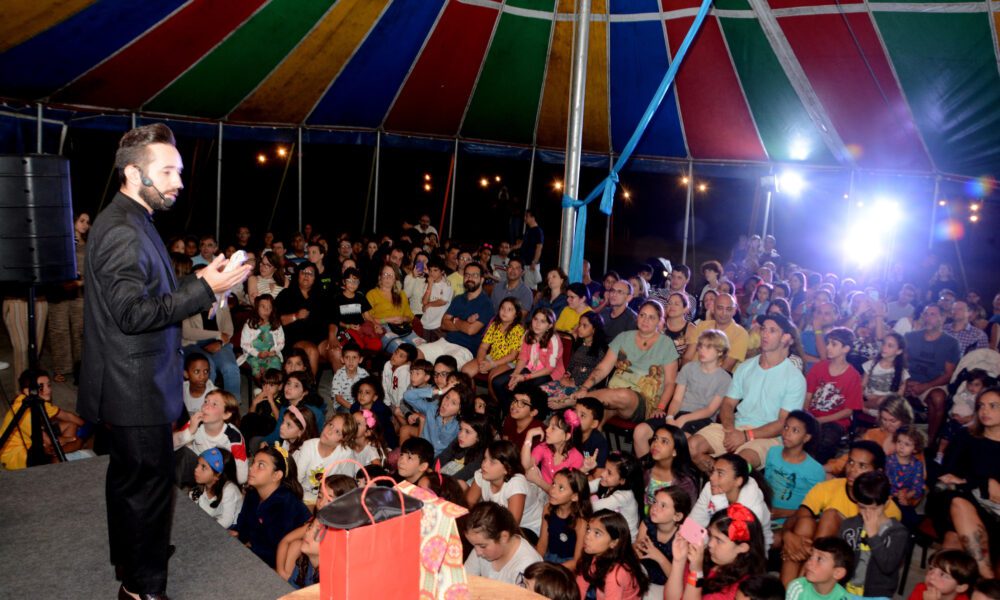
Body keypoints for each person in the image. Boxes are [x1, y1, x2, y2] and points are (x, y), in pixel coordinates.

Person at [78, 123, 250, 600]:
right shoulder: (122, 231)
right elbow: (133, 314)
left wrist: (201, 281)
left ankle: (134, 557)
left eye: (178, 170)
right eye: (168, 171)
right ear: (134, 173)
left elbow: (149, 296)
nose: (178, 181)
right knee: (148, 487)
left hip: (135, 379)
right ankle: (142, 588)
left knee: (130, 481)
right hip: (134, 385)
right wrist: (205, 290)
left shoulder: (134, 219)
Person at [688, 314, 806, 472]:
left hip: (768, 437)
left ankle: (723, 480)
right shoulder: (746, 367)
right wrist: (730, 430)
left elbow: (784, 423)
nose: (764, 334)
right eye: (764, 329)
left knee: (736, 465)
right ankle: (717, 481)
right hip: (735, 427)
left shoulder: (794, 378)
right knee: (691, 446)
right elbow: (728, 403)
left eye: (772, 331)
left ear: (785, 338)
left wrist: (746, 436)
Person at [568, 300, 680, 425]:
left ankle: (577, 401)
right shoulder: (623, 337)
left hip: (644, 401)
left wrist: (660, 408)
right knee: (591, 419)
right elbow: (603, 368)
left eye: (651, 317)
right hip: (613, 395)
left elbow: (670, 383)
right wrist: (584, 387)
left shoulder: (666, 344)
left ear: (659, 321)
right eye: (642, 315)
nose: (645, 320)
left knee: (624, 395)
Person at [928, 386, 1000, 578]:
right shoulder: (966, 436)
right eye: (981, 406)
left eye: (993, 406)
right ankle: (987, 579)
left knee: (953, 541)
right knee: (958, 503)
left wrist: (970, 482)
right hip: (954, 501)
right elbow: (946, 476)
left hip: (992, 513)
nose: (985, 411)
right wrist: (982, 483)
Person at [633, 329, 732, 456]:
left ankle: (670, 473)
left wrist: (684, 419)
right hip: (678, 413)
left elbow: (710, 410)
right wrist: (669, 417)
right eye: (700, 345)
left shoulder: (725, 378)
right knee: (640, 431)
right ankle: (646, 471)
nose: (701, 350)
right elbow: (677, 400)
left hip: (702, 419)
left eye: (708, 347)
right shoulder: (688, 368)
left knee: (676, 440)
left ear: (720, 351)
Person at [232, 444, 311, 568]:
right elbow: (243, 526)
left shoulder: (286, 504)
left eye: (261, 465)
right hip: (254, 555)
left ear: (276, 475)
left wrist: (249, 548)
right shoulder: (253, 493)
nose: (251, 468)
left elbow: (275, 551)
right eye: (253, 463)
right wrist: (236, 533)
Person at [666, 504, 767, 600]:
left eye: (719, 540)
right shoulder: (706, 558)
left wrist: (696, 573)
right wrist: (679, 561)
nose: (710, 544)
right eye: (710, 535)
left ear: (742, 547)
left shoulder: (742, 588)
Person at [837, 471, 909, 597]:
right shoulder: (849, 525)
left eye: (874, 509)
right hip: (845, 589)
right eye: (862, 507)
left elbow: (888, 566)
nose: (868, 513)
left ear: (886, 504)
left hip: (877, 595)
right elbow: (838, 559)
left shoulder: (897, 532)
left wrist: (873, 535)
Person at [1, 368, 86, 469]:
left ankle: (58, 456)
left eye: (49, 385)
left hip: (36, 440)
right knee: (78, 442)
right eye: (41, 387)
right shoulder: (25, 412)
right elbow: (48, 441)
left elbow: (68, 416)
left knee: (71, 425)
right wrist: (71, 439)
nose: (48, 390)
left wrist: (88, 426)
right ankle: (55, 462)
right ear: (28, 391)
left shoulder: (38, 400)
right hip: (17, 456)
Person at [804, 327, 864, 464]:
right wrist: (806, 415)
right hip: (812, 415)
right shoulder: (819, 367)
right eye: (828, 343)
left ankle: (816, 471)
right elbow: (807, 396)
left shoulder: (853, 376)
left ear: (846, 349)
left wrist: (820, 420)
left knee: (825, 442)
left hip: (835, 422)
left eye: (834, 344)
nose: (828, 347)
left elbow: (848, 411)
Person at [905, 304, 961, 443]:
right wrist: (906, 381)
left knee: (937, 398)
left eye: (933, 314)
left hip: (933, 382)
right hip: (908, 379)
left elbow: (948, 374)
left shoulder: (951, 343)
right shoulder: (911, 336)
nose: (928, 318)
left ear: (942, 318)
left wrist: (924, 386)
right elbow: (902, 362)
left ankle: (929, 441)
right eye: (926, 314)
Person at [467, 440, 545, 538]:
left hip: (528, 527)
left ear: (506, 468)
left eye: (492, 462)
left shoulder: (516, 484)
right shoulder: (482, 474)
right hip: (496, 523)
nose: (484, 465)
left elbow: (512, 526)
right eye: (485, 459)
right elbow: (469, 505)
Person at [46, 210, 89, 383]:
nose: (85, 225)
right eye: (81, 220)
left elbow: (92, 272)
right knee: (59, 330)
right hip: (60, 294)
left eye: (87, 221)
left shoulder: (89, 245)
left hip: (79, 293)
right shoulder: (61, 242)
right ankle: (61, 368)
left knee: (80, 331)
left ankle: (80, 367)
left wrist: (81, 283)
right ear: (72, 222)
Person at [764, 411, 825, 529]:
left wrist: (784, 513)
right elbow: (766, 484)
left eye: (795, 430)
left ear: (806, 437)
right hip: (765, 514)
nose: (787, 433)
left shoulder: (815, 470)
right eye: (786, 427)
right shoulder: (773, 452)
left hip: (792, 522)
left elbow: (816, 510)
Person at [464, 502, 544, 585]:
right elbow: (464, 580)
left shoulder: (527, 566)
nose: (477, 552)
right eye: (474, 545)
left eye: (482, 546)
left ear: (503, 537)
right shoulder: (481, 544)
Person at [575, 510, 649, 599]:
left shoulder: (615, 574)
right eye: (588, 529)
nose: (587, 536)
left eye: (597, 533)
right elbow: (580, 588)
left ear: (613, 543)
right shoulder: (592, 554)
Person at [537, 469, 592, 567]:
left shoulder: (580, 522)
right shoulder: (548, 509)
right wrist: (536, 563)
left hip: (568, 565)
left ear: (575, 496)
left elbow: (577, 561)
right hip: (549, 557)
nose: (553, 490)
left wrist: (553, 571)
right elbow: (542, 543)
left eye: (561, 488)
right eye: (553, 483)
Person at [684, 293, 748, 372]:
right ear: (713, 309)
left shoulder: (740, 333)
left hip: (716, 381)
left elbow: (726, 367)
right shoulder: (702, 326)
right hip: (690, 374)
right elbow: (687, 357)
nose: (724, 313)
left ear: (734, 311)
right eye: (720, 308)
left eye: (728, 309)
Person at [785, 536, 854, 600]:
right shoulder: (798, 588)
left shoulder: (842, 597)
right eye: (810, 556)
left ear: (837, 573)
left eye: (819, 559)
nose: (809, 563)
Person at [189, 447, 242, 528]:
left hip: (230, 527)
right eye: (197, 464)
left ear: (217, 475)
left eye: (203, 467)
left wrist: (202, 527)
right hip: (210, 521)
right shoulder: (198, 487)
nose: (196, 469)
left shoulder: (229, 490)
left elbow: (226, 520)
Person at [241, 294, 285, 382]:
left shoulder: (276, 324)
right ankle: (261, 385)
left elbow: (281, 342)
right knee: (255, 367)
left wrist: (274, 351)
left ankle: (272, 386)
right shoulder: (250, 324)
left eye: (269, 307)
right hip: (253, 355)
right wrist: (257, 354)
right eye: (263, 307)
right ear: (257, 308)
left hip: (271, 354)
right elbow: (244, 344)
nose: (266, 310)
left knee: (275, 364)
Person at [907, 550, 979, 600]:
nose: (931, 576)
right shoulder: (921, 589)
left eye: (943, 575)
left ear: (960, 587)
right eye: (931, 568)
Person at [522, 210, 544, 289]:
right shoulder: (528, 231)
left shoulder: (538, 231)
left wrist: (534, 261)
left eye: (527, 216)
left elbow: (539, 247)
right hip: (526, 264)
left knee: (530, 288)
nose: (525, 218)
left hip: (531, 265)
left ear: (533, 218)